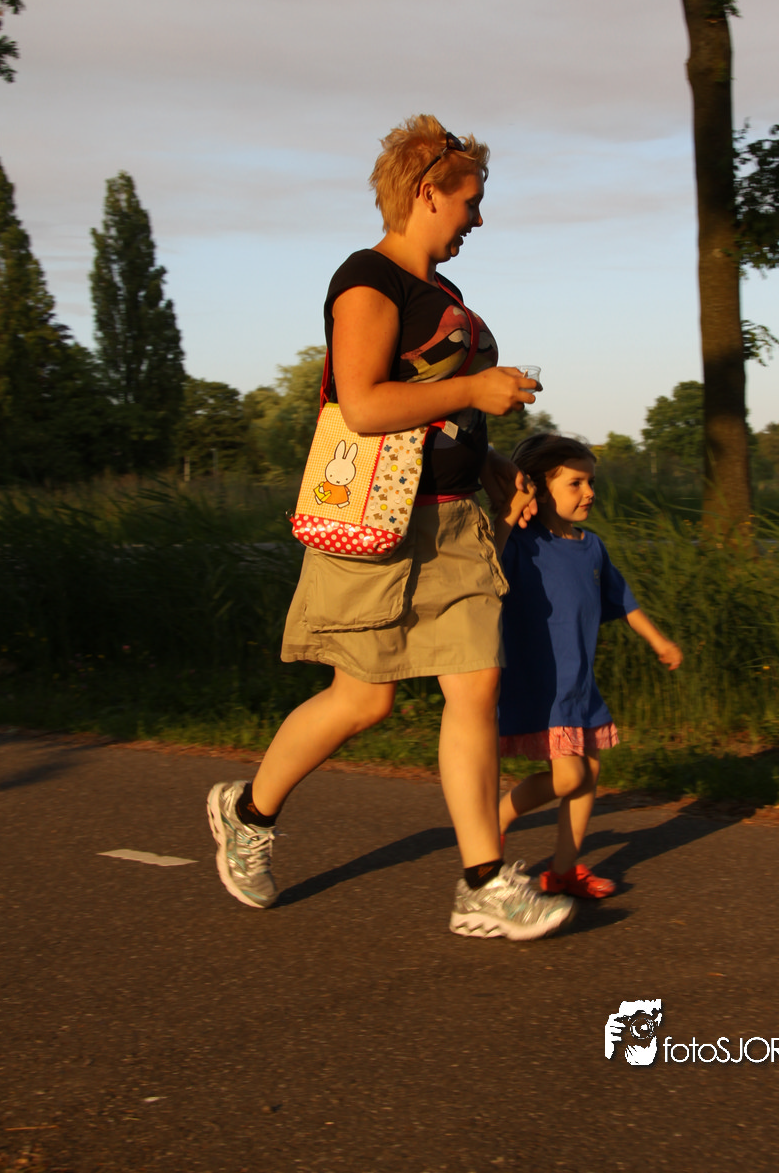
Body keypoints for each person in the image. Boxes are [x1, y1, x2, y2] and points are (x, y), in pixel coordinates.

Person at [207, 115, 576, 941]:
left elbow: (437, 415)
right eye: (470, 201)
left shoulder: (444, 295)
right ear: (427, 192)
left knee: (475, 685)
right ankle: (248, 811)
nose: (478, 218)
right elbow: (366, 403)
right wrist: (473, 390)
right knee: (363, 700)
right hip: (378, 524)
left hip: (456, 522)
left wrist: (494, 464)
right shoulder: (366, 280)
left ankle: (483, 882)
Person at [494, 432, 683, 898]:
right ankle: (496, 818)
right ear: (539, 489)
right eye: (575, 483)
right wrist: (511, 511)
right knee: (570, 776)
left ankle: (563, 871)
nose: (589, 492)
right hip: (542, 684)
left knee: (589, 774)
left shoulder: (592, 547)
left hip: (580, 683)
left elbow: (623, 601)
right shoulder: (522, 544)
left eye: (591, 482)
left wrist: (659, 641)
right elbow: (486, 564)